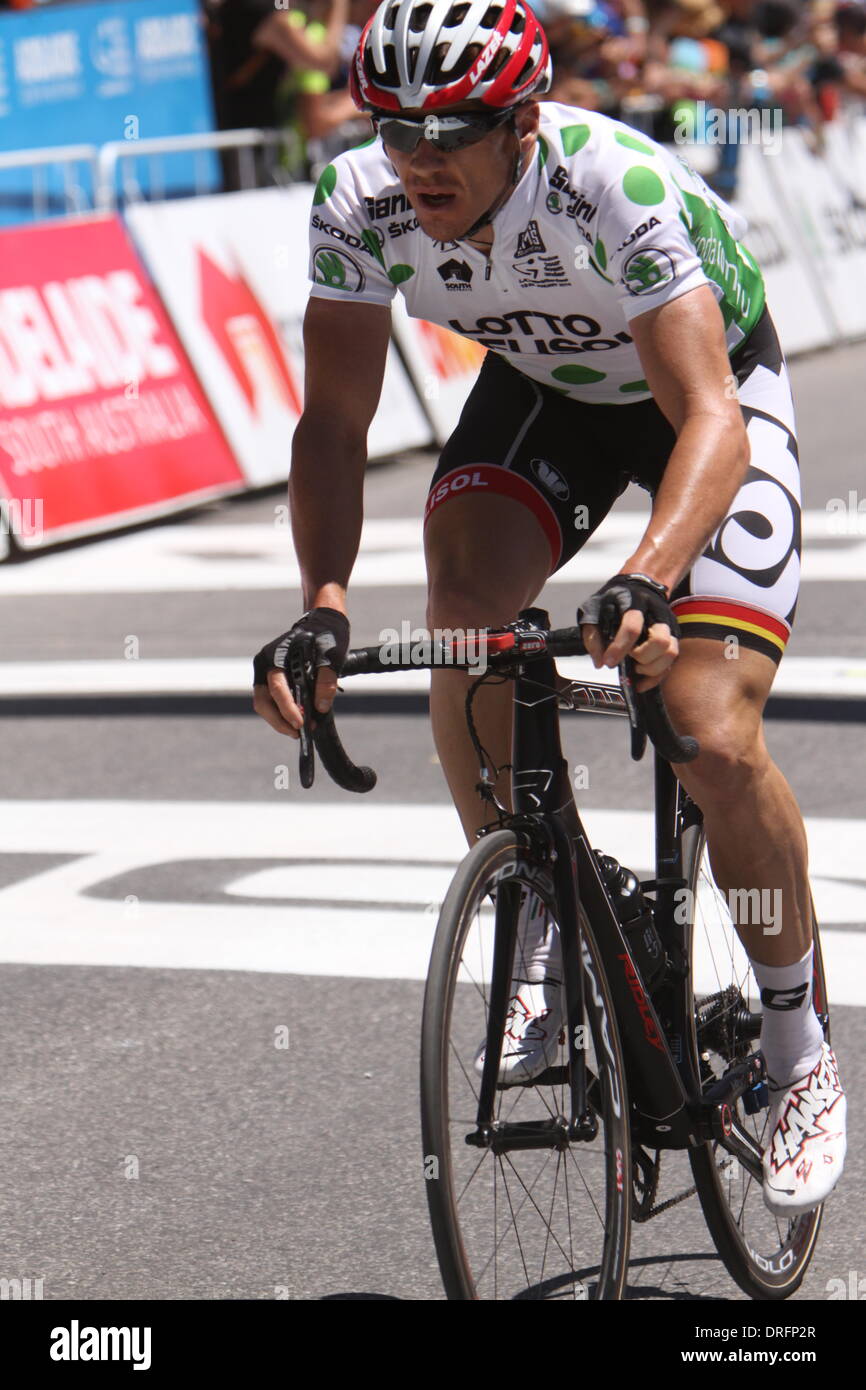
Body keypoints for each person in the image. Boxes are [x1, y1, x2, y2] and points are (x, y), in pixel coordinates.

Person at [252, 0, 846, 1218]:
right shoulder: (356, 199)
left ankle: (798, 1056)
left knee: (706, 724)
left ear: (519, 125)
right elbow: (334, 421)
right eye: (396, 125)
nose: (418, 156)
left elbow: (709, 418)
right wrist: (319, 604)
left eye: (453, 131)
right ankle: (537, 917)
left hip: (707, 398)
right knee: (463, 621)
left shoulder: (607, 184)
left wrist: (644, 573)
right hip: (547, 399)